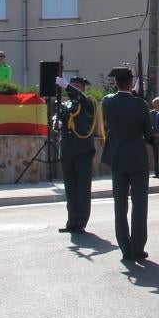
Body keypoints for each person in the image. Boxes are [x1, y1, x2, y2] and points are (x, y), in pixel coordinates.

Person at [99, 67, 155, 262]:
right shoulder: (139, 104)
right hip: (137, 159)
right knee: (139, 205)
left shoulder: (107, 102)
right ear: (131, 83)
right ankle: (137, 247)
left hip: (117, 158)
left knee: (120, 205)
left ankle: (125, 246)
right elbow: (148, 134)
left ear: (115, 83)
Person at [55, 75, 99, 234]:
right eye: (72, 86)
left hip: (82, 151)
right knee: (70, 188)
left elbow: (83, 99)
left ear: (82, 88)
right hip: (67, 150)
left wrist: (67, 86)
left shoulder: (89, 103)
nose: (73, 89)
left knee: (82, 188)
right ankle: (71, 221)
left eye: (77, 87)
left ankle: (81, 221)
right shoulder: (66, 104)